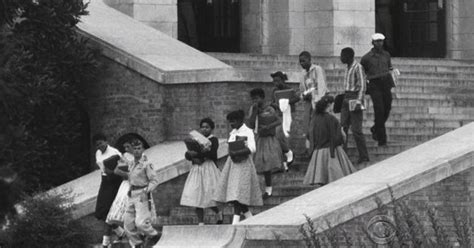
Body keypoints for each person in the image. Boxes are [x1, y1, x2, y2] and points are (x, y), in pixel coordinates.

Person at [214, 110, 263, 224]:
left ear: (241, 120)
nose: (232, 124)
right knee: (235, 194)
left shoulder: (248, 132)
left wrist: (240, 151)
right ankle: (251, 220)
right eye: (230, 123)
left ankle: (235, 223)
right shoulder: (233, 133)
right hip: (233, 165)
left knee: (238, 194)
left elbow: (252, 148)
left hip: (244, 164)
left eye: (234, 122)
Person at [303, 96, 356, 186]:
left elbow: (309, 136)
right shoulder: (332, 119)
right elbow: (340, 136)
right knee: (337, 180)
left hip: (317, 154)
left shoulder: (314, 119)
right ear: (329, 105)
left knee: (321, 181)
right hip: (332, 152)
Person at [180, 118, 223, 225]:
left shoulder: (213, 140)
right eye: (202, 127)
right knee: (196, 195)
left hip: (208, 168)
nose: (204, 129)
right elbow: (188, 154)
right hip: (197, 168)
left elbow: (212, 154)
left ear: (211, 129)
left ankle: (219, 213)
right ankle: (201, 222)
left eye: (207, 127)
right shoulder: (196, 139)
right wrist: (190, 155)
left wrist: (198, 154)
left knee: (209, 195)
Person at [123, 139, 160, 248]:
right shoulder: (131, 163)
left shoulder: (146, 164)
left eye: (139, 148)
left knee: (141, 223)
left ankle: (155, 235)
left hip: (142, 194)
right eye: (134, 149)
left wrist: (146, 191)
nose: (137, 151)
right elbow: (131, 178)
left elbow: (154, 181)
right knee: (128, 225)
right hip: (132, 194)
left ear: (143, 149)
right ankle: (138, 244)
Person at [247, 88, 283, 199]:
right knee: (258, 164)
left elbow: (278, 121)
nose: (255, 101)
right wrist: (254, 111)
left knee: (268, 163)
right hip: (259, 138)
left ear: (262, 98)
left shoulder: (270, 109)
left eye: (256, 98)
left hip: (269, 139)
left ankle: (269, 189)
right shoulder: (253, 109)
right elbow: (251, 124)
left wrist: (268, 126)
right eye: (253, 99)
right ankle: (258, 189)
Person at [361, 33, 395, 147]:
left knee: (387, 107)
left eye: (381, 41)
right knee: (379, 109)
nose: (379, 43)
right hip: (374, 84)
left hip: (386, 82)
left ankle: (376, 127)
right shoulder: (366, 58)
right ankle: (382, 138)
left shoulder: (386, 55)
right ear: (372, 42)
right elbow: (362, 72)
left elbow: (389, 67)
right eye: (377, 41)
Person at [93, 134, 126, 248]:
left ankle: (105, 243)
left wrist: (112, 171)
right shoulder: (97, 153)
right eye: (97, 144)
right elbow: (101, 168)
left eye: (101, 143)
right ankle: (121, 232)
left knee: (109, 212)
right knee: (100, 211)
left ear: (106, 141)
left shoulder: (114, 152)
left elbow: (123, 165)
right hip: (105, 181)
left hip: (114, 182)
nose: (100, 146)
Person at [339, 47, 370, 164]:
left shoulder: (358, 67)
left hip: (354, 98)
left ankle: (364, 155)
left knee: (356, 129)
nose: (341, 58)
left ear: (349, 56)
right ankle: (343, 155)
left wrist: (358, 101)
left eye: (342, 56)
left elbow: (362, 85)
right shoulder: (347, 68)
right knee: (343, 127)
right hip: (346, 98)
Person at [270, 71, 300, 170]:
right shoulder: (274, 91)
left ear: (283, 80)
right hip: (279, 116)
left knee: (286, 137)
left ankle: (286, 162)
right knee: (278, 136)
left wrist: (287, 102)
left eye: (278, 81)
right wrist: (276, 105)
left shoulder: (290, 90)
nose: (276, 83)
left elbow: (297, 98)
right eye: (274, 81)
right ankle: (287, 153)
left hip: (289, 115)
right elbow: (272, 103)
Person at [299, 51, 328, 150]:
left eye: (304, 61)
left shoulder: (317, 69)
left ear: (309, 59)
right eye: (300, 61)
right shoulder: (303, 74)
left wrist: (318, 101)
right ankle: (311, 148)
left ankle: (319, 146)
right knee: (308, 126)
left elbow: (322, 86)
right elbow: (302, 90)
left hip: (318, 102)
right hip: (308, 103)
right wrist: (305, 96)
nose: (302, 63)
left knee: (318, 125)